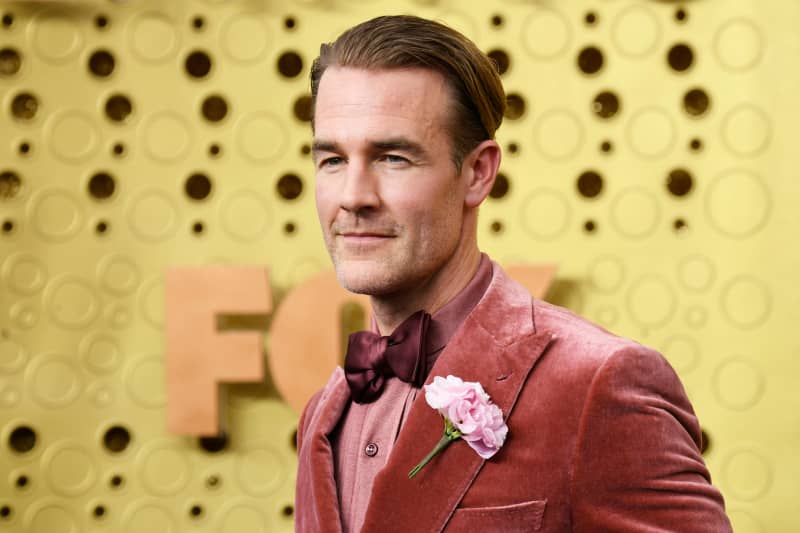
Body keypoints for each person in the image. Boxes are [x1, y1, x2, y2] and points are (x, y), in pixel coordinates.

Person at [295, 14, 732, 533]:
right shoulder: (323, 413)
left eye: (393, 158)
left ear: (478, 173)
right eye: (332, 160)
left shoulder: (601, 384)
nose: (353, 197)